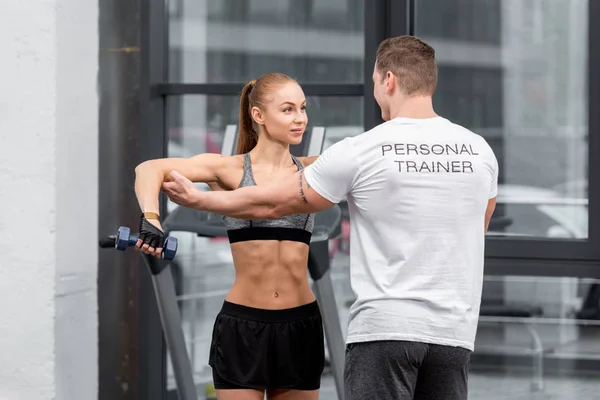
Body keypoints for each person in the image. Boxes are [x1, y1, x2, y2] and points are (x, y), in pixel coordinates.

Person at [163, 36, 499, 400]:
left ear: (388, 81)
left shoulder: (363, 149)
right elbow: (477, 227)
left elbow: (275, 204)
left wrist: (201, 200)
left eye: (373, 83)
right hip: (454, 334)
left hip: (385, 330)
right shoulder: (479, 149)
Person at [133, 72, 325, 400]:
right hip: (243, 324)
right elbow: (149, 169)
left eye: (303, 109)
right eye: (288, 109)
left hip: (300, 324)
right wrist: (152, 219)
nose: (300, 119)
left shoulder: (312, 169)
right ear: (258, 115)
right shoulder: (229, 169)